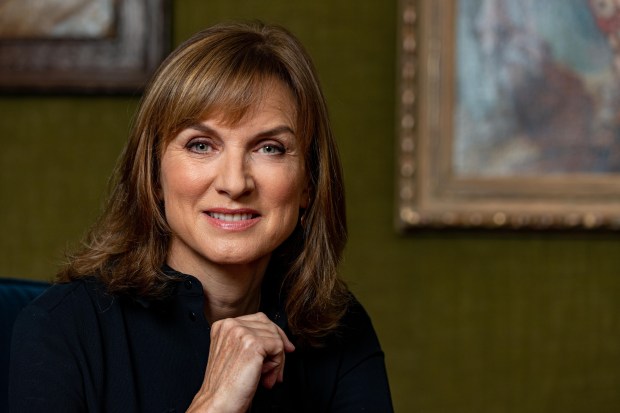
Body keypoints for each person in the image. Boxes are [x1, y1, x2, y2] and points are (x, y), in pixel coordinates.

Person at [9, 22, 393, 412]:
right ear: (153, 175)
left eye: (270, 149)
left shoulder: (339, 329)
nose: (234, 182)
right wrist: (216, 403)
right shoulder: (60, 329)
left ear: (308, 184)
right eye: (201, 144)